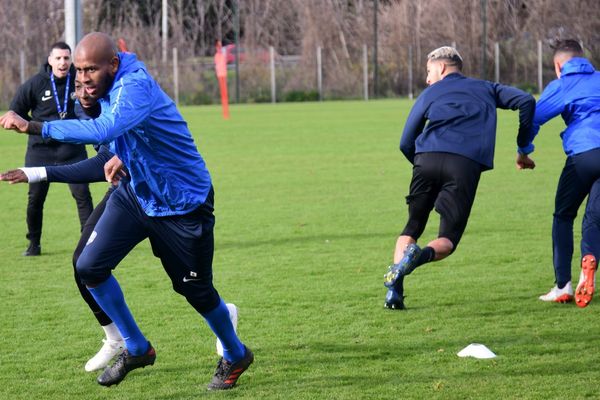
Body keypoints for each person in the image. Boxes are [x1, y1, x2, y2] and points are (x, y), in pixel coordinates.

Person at [0, 32, 252, 391]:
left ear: (113, 65)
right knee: (88, 266)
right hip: (137, 193)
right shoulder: (105, 92)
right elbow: (107, 145)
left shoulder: (133, 86)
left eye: (90, 69)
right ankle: (135, 347)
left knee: (194, 290)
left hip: (183, 204)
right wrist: (114, 152)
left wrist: (34, 126)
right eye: (79, 70)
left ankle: (234, 352)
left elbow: (107, 127)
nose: (83, 77)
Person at [382, 46, 536, 310]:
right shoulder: (488, 88)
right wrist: (523, 147)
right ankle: (417, 259)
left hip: (426, 158)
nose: (428, 79)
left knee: (412, 227)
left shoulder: (430, 92)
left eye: (429, 72)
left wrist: (421, 163)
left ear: (441, 68)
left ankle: (394, 291)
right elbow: (526, 100)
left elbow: (406, 141)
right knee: (448, 239)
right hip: (464, 164)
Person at [520, 39, 600, 307]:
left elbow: (533, 118)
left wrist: (524, 151)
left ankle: (563, 286)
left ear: (558, 65)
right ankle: (588, 260)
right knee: (595, 217)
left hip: (583, 155)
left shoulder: (562, 85)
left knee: (563, 216)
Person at [10, 41, 93, 256]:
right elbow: (15, 112)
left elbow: (95, 105)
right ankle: (34, 243)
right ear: (50, 60)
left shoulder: (80, 80)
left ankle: (89, 243)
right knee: (35, 198)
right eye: (58, 58)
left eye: (66, 58)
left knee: (82, 194)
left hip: (72, 149)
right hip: (40, 151)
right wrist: (35, 128)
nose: (63, 62)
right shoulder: (35, 84)